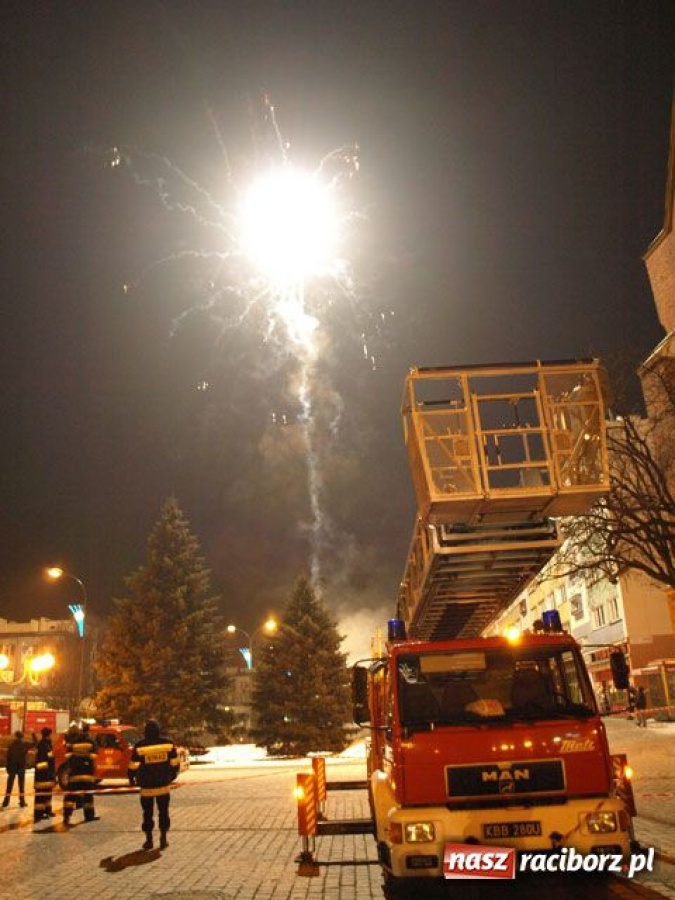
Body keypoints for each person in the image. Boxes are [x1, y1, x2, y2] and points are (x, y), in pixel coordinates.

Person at [128, 719, 180, 850]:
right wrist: (172, 776)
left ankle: (149, 840)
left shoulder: (140, 746)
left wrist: (131, 778)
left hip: (147, 787)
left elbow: (133, 766)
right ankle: (163, 838)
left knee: (147, 813)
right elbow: (175, 763)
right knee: (163, 812)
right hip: (163, 785)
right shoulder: (168, 744)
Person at [62, 722, 98, 824]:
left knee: (70, 796)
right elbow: (94, 756)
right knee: (88, 797)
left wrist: (75, 761)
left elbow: (67, 756)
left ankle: (66, 816)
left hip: (75, 773)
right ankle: (89, 816)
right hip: (87, 773)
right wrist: (86, 758)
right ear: (88, 730)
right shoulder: (91, 742)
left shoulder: (74, 742)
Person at [2, 730, 34, 810]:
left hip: (12, 767)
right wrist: (33, 734)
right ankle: (22, 802)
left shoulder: (11, 745)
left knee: (9, 786)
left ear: (16, 736)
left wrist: (8, 768)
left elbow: (8, 758)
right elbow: (35, 743)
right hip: (21, 768)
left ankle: (6, 802)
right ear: (22, 737)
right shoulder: (25, 744)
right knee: (21, 785)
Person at [33, 727, 56, 823]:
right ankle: (39, 814)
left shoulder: (46, 744)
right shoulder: (43, 746)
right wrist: (47, 774)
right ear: (47, 735)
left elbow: (50, 758)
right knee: (41, 795)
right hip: (43, 775)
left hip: (47, 773)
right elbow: (43, 761)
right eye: (50, 734)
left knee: (47, 794)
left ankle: (47, 810)